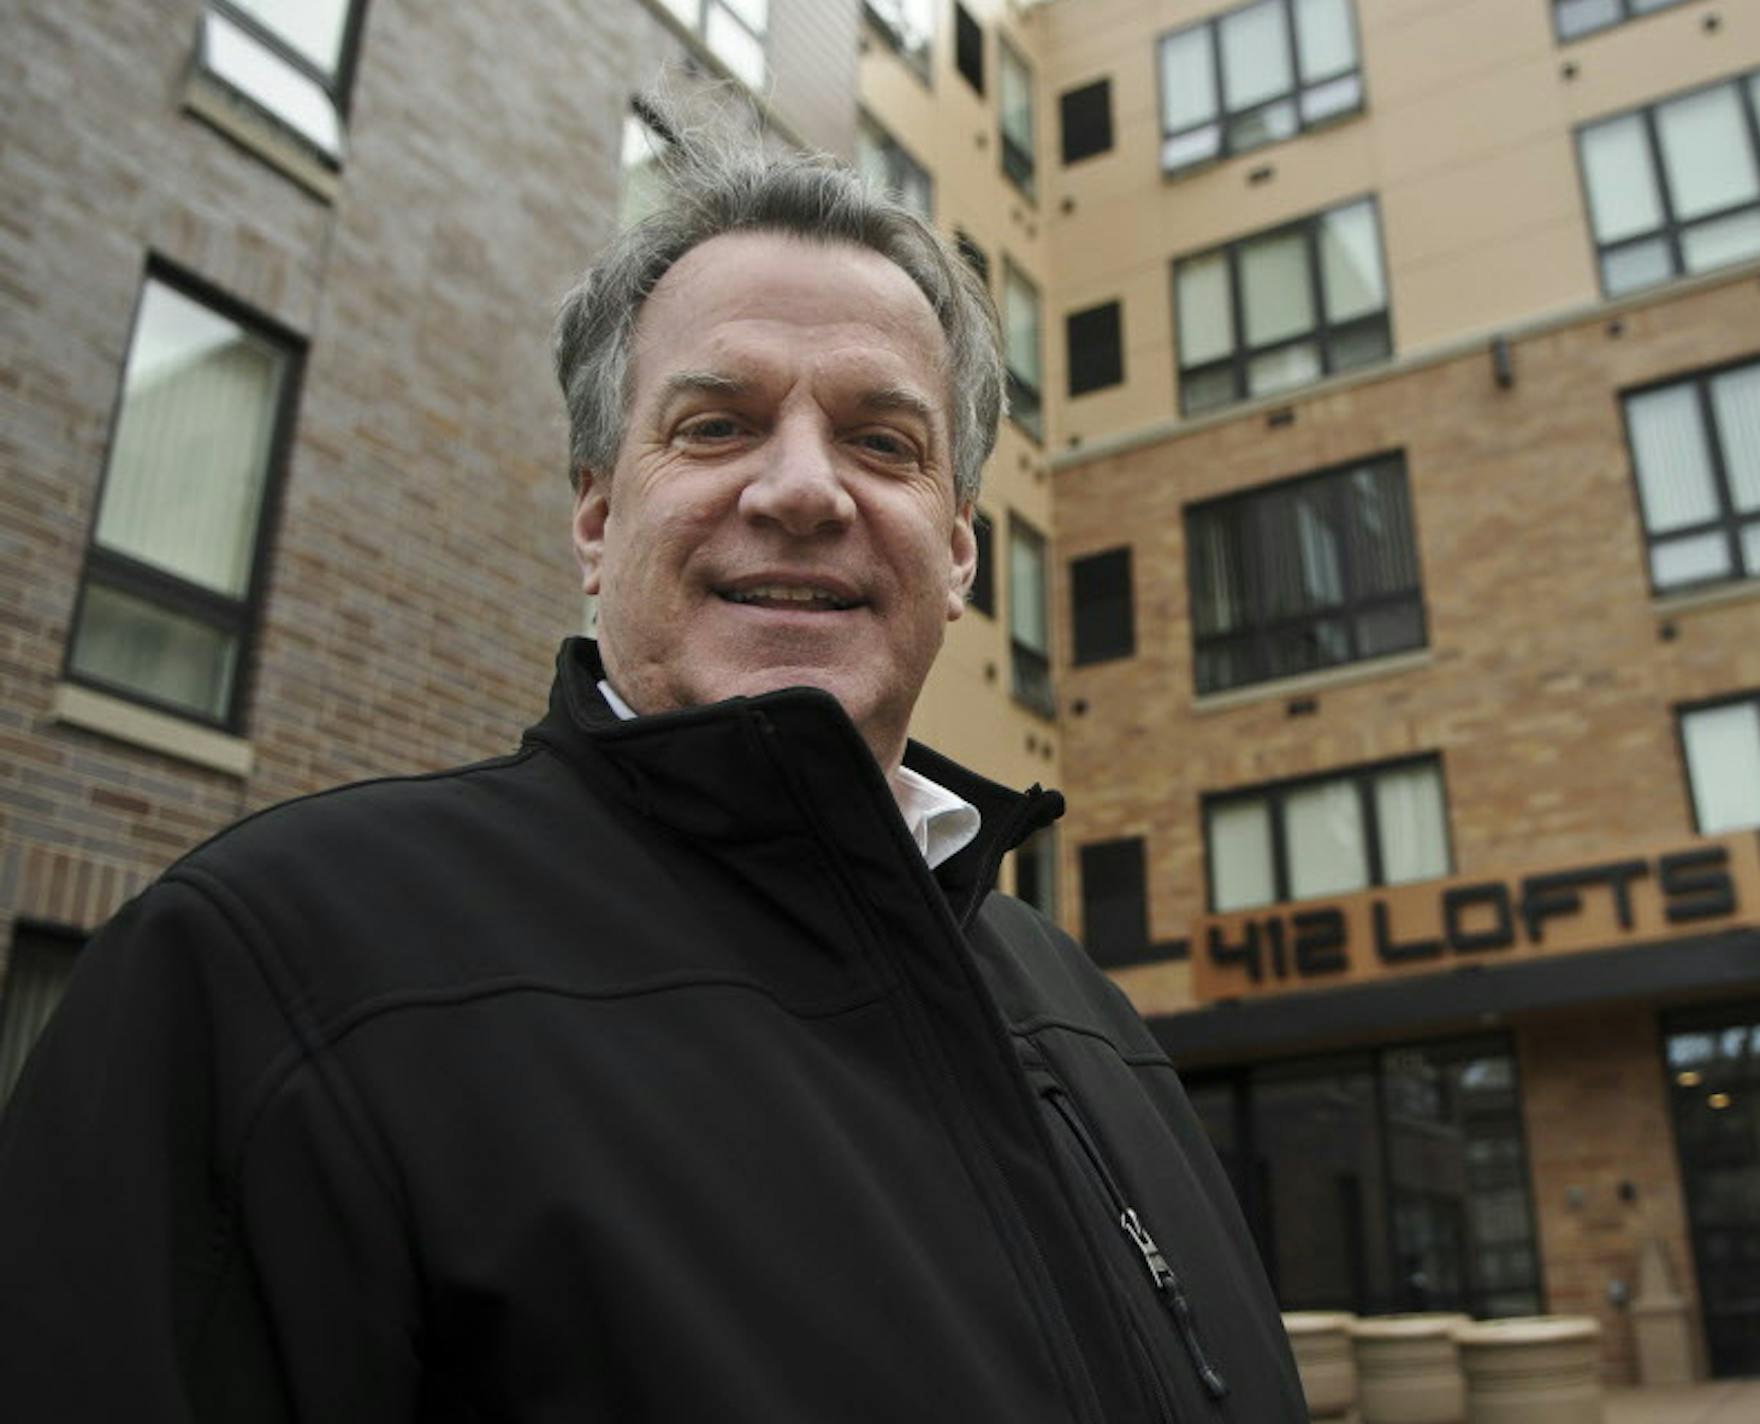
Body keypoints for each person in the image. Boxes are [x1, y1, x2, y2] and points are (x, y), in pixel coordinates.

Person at [0, 111, 1305, 1420]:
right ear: (595, 515)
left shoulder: (1084, 1016)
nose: (804, 489)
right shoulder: (268, 975)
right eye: (719, 425)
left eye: (883, 441)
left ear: (958, 550)